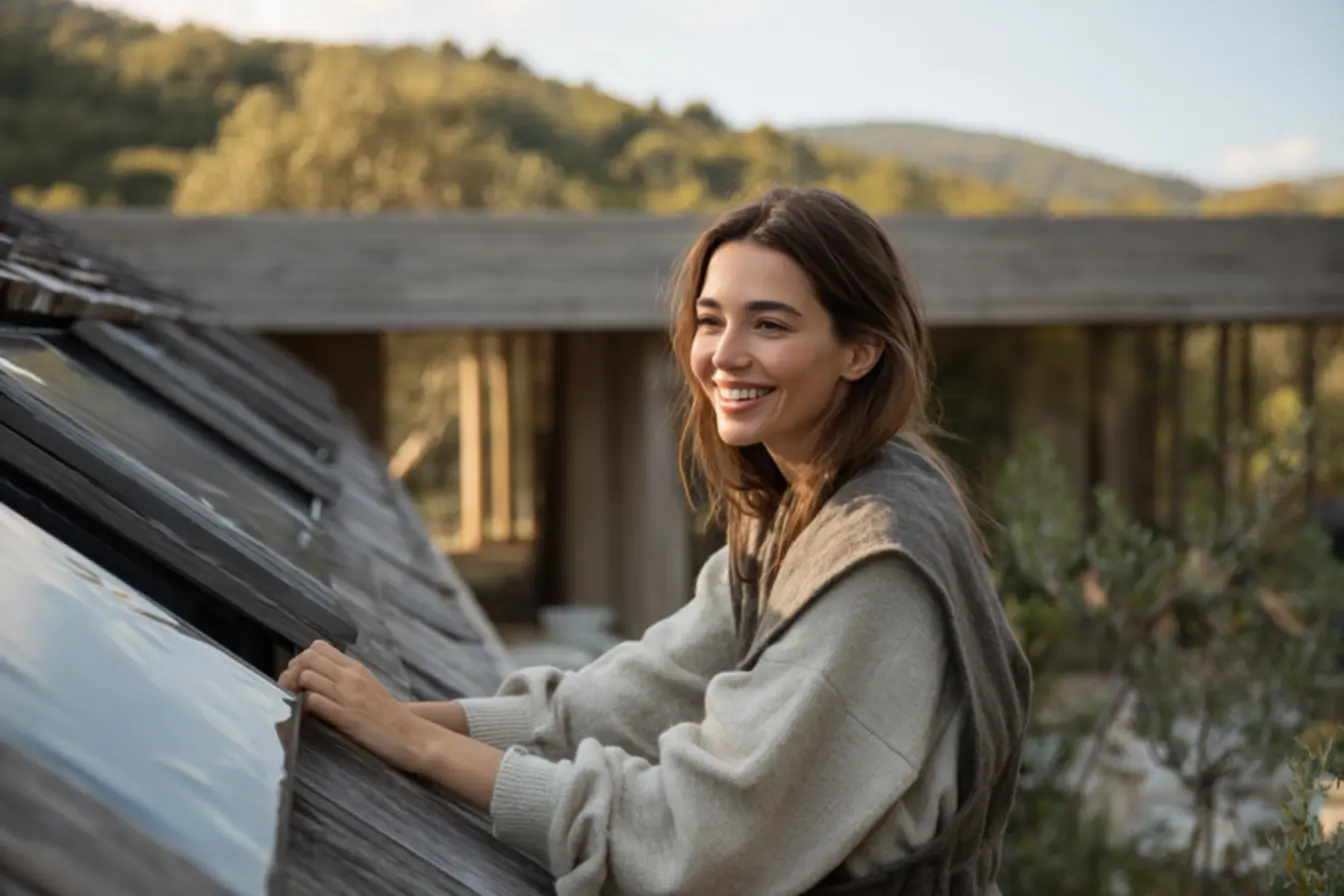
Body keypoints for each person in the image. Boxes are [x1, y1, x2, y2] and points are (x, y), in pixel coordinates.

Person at [279, 186, 1033, 896]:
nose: (725, 354)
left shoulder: (876, 565)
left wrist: (419, 746)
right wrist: (398, 715)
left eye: (770, 325)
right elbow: (633, 698)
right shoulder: (799, 506)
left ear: (860, 352)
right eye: (711, 319)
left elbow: (696, 836)